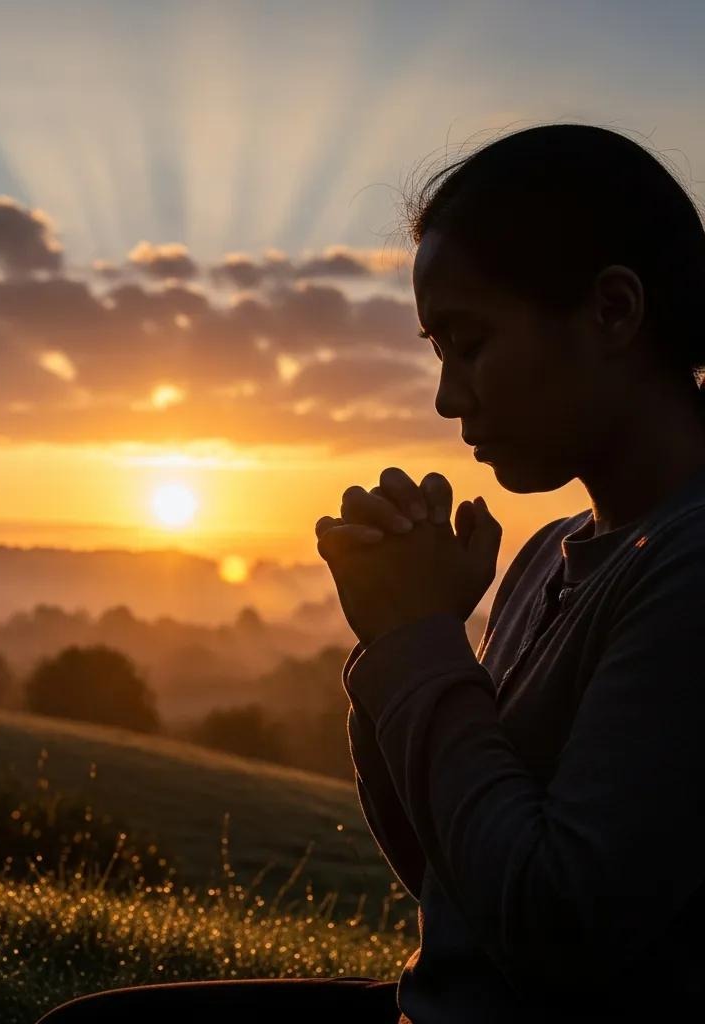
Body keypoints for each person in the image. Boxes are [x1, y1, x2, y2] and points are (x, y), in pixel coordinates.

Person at [37, 122, 705, 1022]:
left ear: (614, 311)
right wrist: (395, 643)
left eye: (469, 343)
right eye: (438, 350)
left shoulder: (689, 568)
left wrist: (420, 640)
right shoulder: (548, 555)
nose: (447, 396)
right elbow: (452, 880)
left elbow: (559, 932)